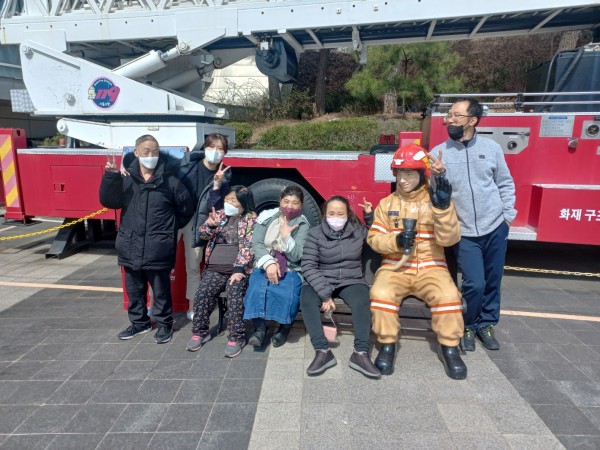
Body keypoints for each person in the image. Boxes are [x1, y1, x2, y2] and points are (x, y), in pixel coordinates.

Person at [367, 143, 467, 380]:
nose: (402, 180)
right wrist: (396, 241)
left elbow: (450, 238)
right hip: (394, 267)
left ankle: (450, 348)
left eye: (409, 174)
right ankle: (387, 345)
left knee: (449, 298)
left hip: (432, 266)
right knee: (380, 294)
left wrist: (443, 209)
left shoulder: (437, 201)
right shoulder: (386, 204)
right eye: (400, 174)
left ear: (422, 175)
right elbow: (374, 239)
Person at [428, 97, 517, 352]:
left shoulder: (491, 148)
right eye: (449, 115)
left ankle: (486, 324)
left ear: (472, 120)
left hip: (495, 225)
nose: (450, 120)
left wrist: (507, 216)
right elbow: (436, 196)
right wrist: (438, 175)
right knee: (473, 283)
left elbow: (505, 182)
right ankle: (466, 325)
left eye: (456, 116)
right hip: (464, 230)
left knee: (492, 280)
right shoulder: (437, 153)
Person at [100, 134, 194, 344]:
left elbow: (186, 208)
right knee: (135, 290)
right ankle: (139, 324)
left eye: (154, 152)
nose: (150, 156)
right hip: (130, 244)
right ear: (136, 153)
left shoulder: (170, 182)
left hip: (157, 247)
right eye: (146, 152)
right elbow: (109, 201)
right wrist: (110, 177)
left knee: (160, 291)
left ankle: (164, 325)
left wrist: (168, 228)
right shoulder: (127, 180)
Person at [301, 196, 380, 378]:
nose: (336, 217)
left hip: (350, 279)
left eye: (340, 213)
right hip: (322, 277)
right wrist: (325, 295)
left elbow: (376, 237)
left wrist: (369, 217)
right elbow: (308, 265)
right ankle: (322, 351)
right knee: (306, 298)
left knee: (362, 300)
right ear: (324, 214)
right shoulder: (315, 233)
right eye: (331, 213)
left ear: (347, 214)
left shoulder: (357, 231)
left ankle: (360, 353)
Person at [185, 186, 257, 357]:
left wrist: (238, 270)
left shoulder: (251, 219)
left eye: (233, 200)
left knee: (234, 293)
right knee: (203, 293)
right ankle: (200, 332)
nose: (228, 203)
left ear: (243, 202)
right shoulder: (220, 215)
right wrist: (210, 225)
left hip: (238, 269)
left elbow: (249, 247)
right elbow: (202, 235)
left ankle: (236, 336)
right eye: (227, 199)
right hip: (215, 268)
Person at [243, 185, 310, 348]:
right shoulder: (267, 217)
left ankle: (284, 327)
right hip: (264, 263)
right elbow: (257, 243)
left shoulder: (303, 224)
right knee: (256, 287)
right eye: (286, 201)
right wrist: (268, 262)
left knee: (289, 293)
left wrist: (287, 237)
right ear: (280, 200)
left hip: (290, 267)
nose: (290, 206)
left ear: (301, 205)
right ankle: (259, 328)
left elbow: (297, 255)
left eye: (295, 203)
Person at [177, 133, 232, 320]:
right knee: (161, 263)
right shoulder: (187, 164)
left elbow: (215, 208)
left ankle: (192, 307)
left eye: (220, 149)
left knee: (193, 264)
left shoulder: (225, 174)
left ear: (225, 152)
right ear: (204, 148)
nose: (215, 152)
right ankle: (152, 305)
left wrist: (217, 184)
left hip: (198, 223)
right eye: (211, 147)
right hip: (176, 218)